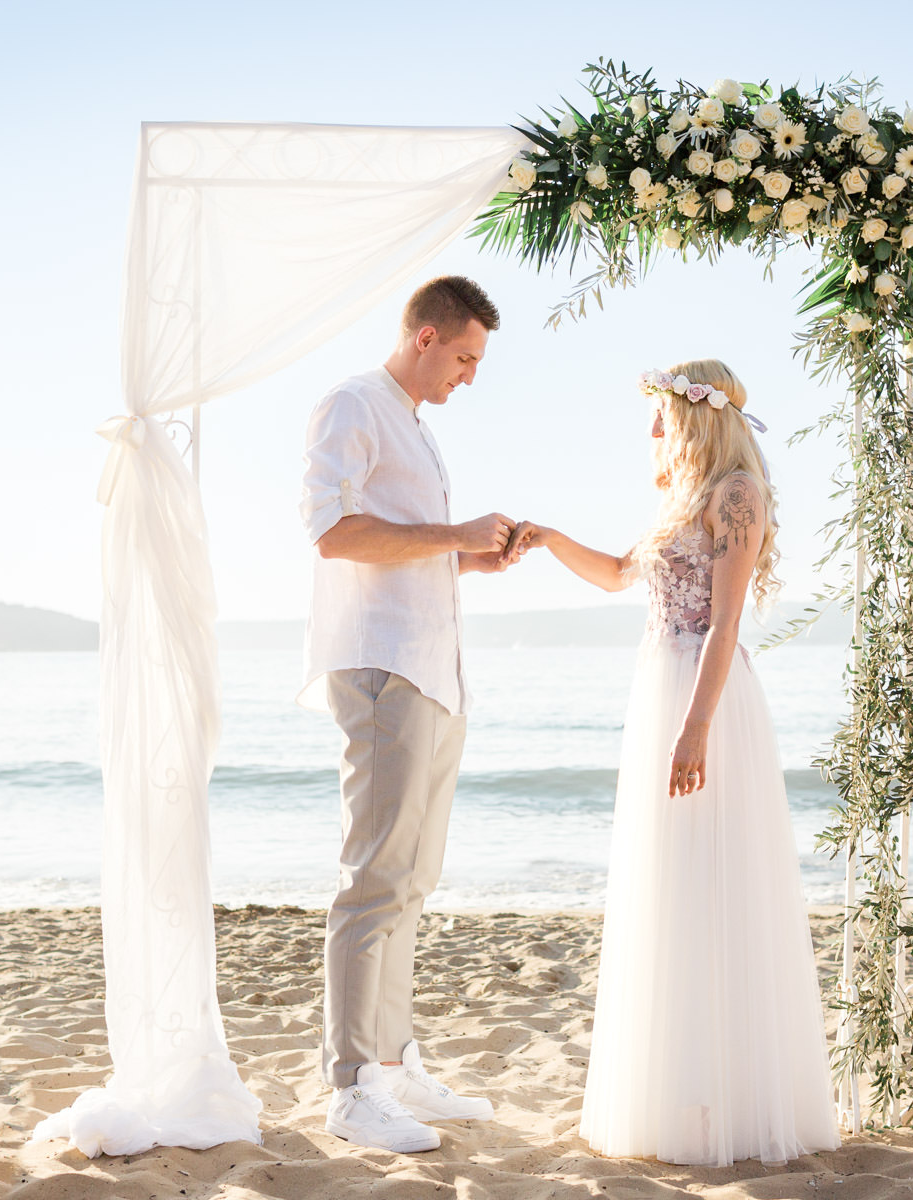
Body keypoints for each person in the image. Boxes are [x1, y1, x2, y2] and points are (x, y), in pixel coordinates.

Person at [511, 360, 841, 1166]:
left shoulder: (736, 494)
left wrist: (695, 729)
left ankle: (736, 1102)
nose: (652, 430)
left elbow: (724, 626)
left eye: (662, 413)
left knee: (719, 885)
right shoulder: (676, 503)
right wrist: (550, 538)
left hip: (708, 701)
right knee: (672, 889)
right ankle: (684, 1096)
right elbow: (620, 575)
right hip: (661, 693)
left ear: (698, 415)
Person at [297, 275, 520, 1154]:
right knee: (374, 879)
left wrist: (469, 560)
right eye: (465, 356)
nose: (470, 375)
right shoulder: (353, 404)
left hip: (434, 671)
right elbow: (332, 532)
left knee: (413, 879)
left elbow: (398, 547)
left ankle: (391, 1065)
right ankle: (350, 1086)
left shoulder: (416, 430)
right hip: (383, 667)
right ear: (425, 336)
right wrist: (455, 537)